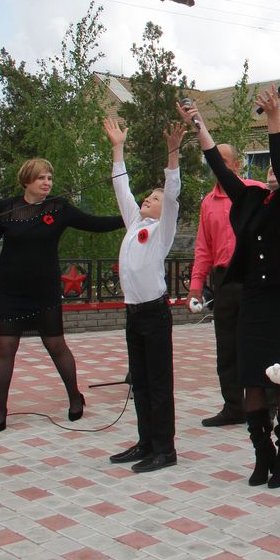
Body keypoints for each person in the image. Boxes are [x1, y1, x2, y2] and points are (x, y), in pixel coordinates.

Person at [177, 86, 280, 490]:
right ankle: (263, 455)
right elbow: (221, 169)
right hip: (254, 301)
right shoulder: (254, 200)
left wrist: (274, 118)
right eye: (271, 168)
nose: (274, 171)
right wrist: (198, 123)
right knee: (253, 381)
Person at [0, 158, 124, 432]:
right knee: (5, 347)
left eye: (49, 178)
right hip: (10, 290)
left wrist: (131, 216)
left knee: (55, 345)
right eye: (41, 178)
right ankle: (0, 409)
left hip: (44, 290)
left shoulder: (59, 208)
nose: (47, 183)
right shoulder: (7, 208)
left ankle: (74, 396)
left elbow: (95, 224)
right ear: (27, 181)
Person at [103, 118, 183, 473]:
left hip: (154, 314)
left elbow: (173, 191)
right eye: (147, 197)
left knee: (159, 384)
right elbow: (122, 188)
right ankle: (145, 442)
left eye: (154, 198)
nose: (147, 200)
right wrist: (117, 148)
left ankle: (165, 449)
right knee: (140, 381)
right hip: (133, 313)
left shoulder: (162, 231)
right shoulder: (135, 224)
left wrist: (172, 153)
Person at [186, 143, 266, 428]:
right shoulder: (208, 202)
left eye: (222, 160)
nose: (216, 165)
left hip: (255, 277)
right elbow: (203, 248)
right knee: (227, 346)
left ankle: (265, 406)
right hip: (224, 280)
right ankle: (234, 407)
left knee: (259, 343)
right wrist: (196, 285)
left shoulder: (257, 192)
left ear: (236, 165)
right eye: (213, 160)